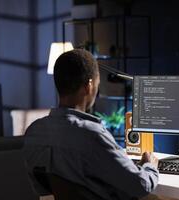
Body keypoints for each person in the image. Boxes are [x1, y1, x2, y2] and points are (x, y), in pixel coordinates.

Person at [23, 49, 159, 200]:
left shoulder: (34, 132)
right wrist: (149, 165)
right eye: (97, 84)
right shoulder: (92, 135)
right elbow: (142, 185)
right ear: (89, 85)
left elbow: (41, 188)